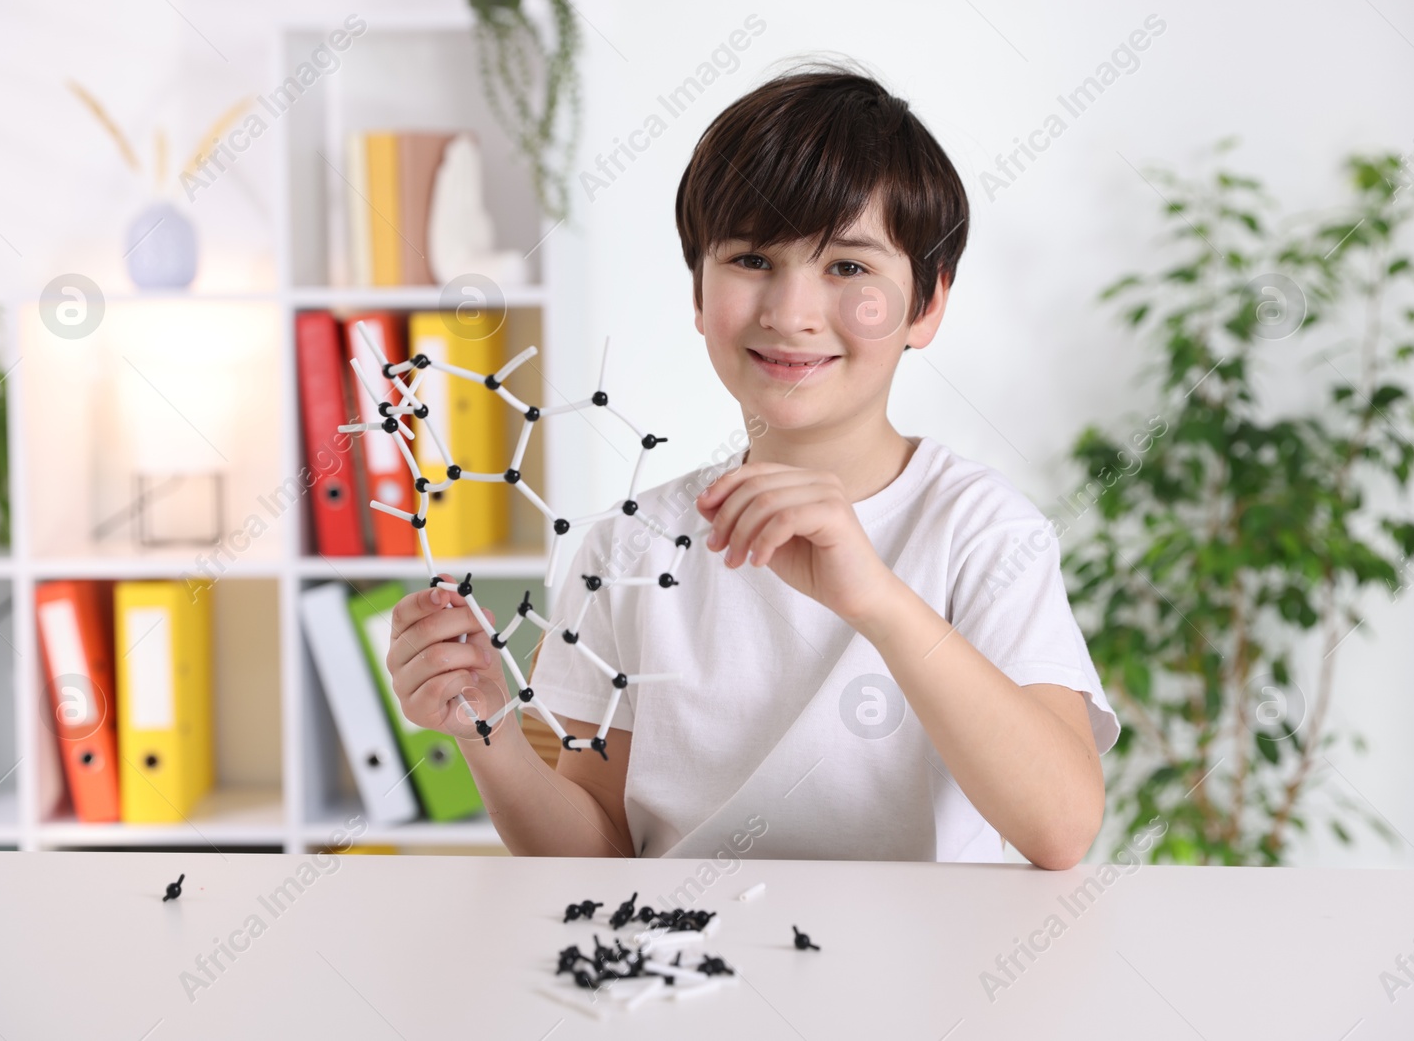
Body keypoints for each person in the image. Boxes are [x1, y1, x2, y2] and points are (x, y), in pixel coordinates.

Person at [386, 61, 1118, 869]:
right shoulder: (629, 550)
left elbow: (1060, 828)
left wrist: (873, 596)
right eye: (752, 260)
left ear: (927, 303)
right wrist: (487, 731)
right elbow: (597, 846)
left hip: (924, 980)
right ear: (698, 293)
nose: (790, 313)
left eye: (848, 267)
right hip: (686, 973)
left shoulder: (983, 531)